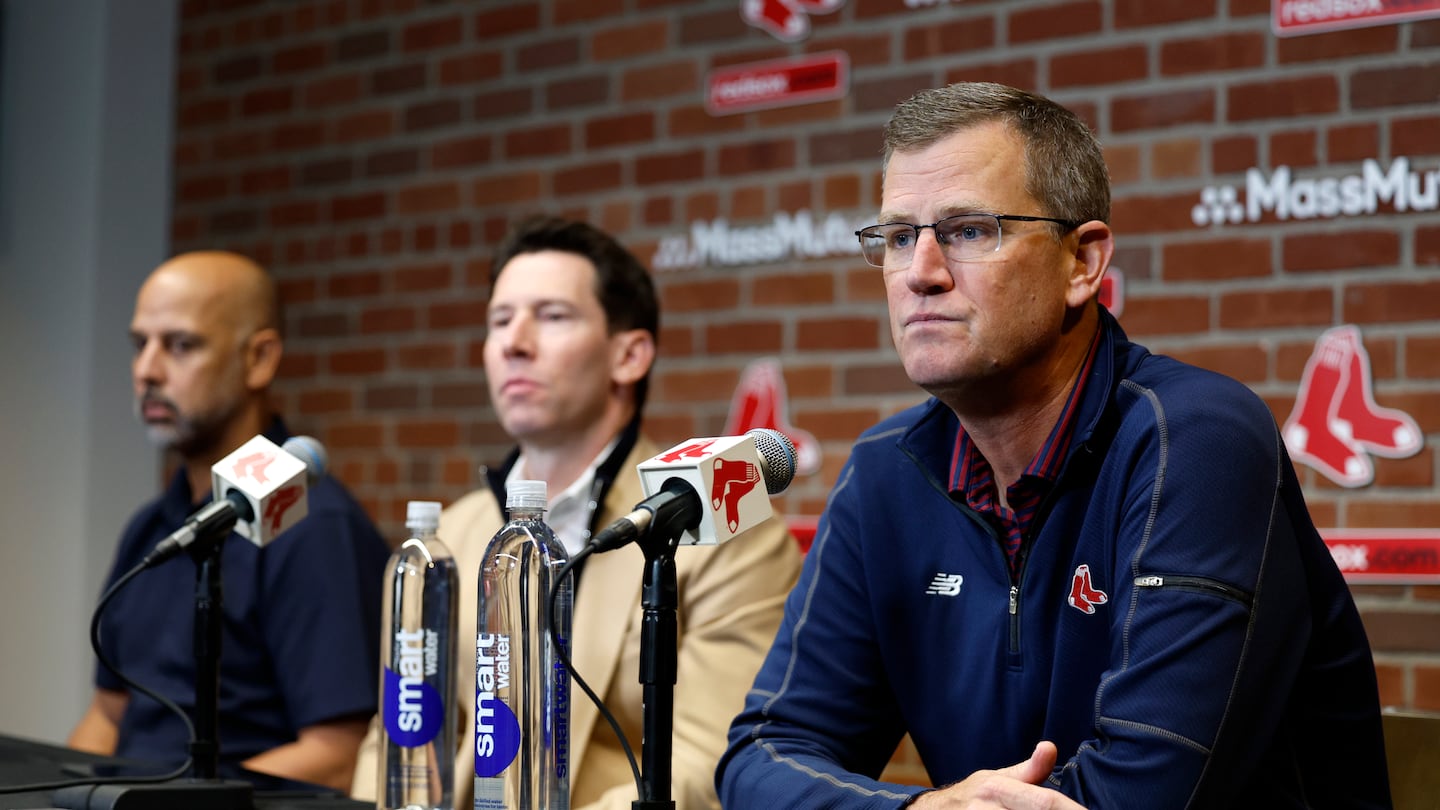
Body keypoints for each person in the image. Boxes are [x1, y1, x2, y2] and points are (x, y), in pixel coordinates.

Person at [717, 83, 1391, 809]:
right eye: (898, 236)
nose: (920, 272)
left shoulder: (1197, 439)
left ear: (1083, 264)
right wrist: (918, 809)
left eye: (970, 230)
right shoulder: (886, 470)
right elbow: (761, 756)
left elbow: (1145, 793)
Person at [349, 217, 803, 809]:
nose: (514, 341)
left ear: (630, 355)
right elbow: (395, 734)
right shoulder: (449, 536)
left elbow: (711, 760)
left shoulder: (723, 534)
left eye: (553, 316)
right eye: (499, 319)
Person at [67, 251, 390, 793]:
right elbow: (107, 716)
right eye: (139, 344)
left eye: (180, 345)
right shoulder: (152, 527)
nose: (146, 370)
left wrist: (173, 805)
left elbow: (340, 755)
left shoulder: (315, 527)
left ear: (259, 359)